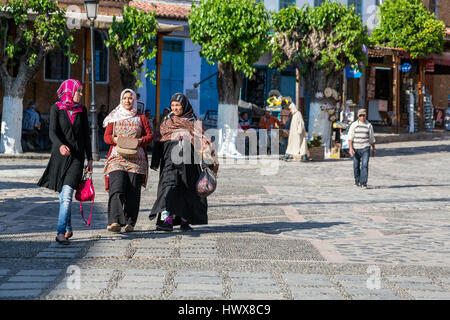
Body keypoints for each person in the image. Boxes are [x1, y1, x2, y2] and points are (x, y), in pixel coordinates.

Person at [149, 93, 219, 232]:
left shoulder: (194, 121)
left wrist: (207, 164)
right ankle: (166, 220)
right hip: (170, 162)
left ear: (184, 105)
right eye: (173, 105)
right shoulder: (167, 121)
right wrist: (155, 160)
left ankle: (184, 221)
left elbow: (203, 143)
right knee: (168, 188)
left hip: (189, 164)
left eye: (178, 105)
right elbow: (159, 140)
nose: (175, 108)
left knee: (187, 190)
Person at [37, 79, 93, 245]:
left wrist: (89, 158)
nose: (81, 94)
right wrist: (60, 145)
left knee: (67, 194)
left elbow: (85, 135)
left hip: (76, 158)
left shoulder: (81, 110)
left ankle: (60, 232)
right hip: (60, 157)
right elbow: (52, 133)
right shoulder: (56, 108)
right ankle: (68, 227)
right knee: (64, 197)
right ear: (70, 91)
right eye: (79, 91)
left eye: (81, 91)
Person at [103, 89, 153, 233]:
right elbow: (106, 137)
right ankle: (115, 221)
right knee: (116, 188)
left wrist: (138, 141)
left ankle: (130, 222)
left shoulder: (141, 117)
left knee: (133, 191)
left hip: (136, 160)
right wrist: (117, 140)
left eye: (130, 98)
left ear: (134, 100)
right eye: (124, 98)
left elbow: (149, 136)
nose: (127, 101)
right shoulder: (114, 116)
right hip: (117, 158)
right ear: (121, 99)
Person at [348, 109, 376, 189]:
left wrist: (374, 149)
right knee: (356, 166)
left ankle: (363, 183)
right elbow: (350, 137)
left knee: (365, 165)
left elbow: (371, 138)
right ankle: (357, 181)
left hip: (365, 148)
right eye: (360, 115)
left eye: (363, 115)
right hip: (356, 148)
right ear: (358, 116)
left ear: (366, 115)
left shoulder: (369, 125)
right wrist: (350, 148)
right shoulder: (354, 125)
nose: (362, 117)